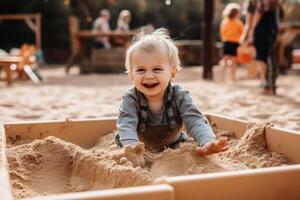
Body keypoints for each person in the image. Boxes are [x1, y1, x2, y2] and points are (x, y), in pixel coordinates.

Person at [115, 28, 228, 166]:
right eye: (140, 70)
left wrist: (207, 142)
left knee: (185, 146)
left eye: (157, 69)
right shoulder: (130, 99)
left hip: (173, 143)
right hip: (139, 145)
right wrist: (132, 150)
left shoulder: (179, 96)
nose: (149, 76)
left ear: (173, 73)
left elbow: (195, 119)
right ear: (131, 75)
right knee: (123, 143)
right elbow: (126, 125)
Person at [242, 0, 281, 95]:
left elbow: (256, 15)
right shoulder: (275, 3)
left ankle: (266, 85)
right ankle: (271, 86)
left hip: (261, 30)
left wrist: (250, 32)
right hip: (272, 30)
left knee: (262, 58)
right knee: (270, 57)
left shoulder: (256, 2)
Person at [219, 3, 244, 83]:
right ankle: (233, 78)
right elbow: (242, 33)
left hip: (226, 42)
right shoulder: (238, 22)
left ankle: (222, 77)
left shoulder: (225, 22)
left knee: (224, 60)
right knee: (233, 61)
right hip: (234, 43)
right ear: (237, 13)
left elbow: (222, 32)